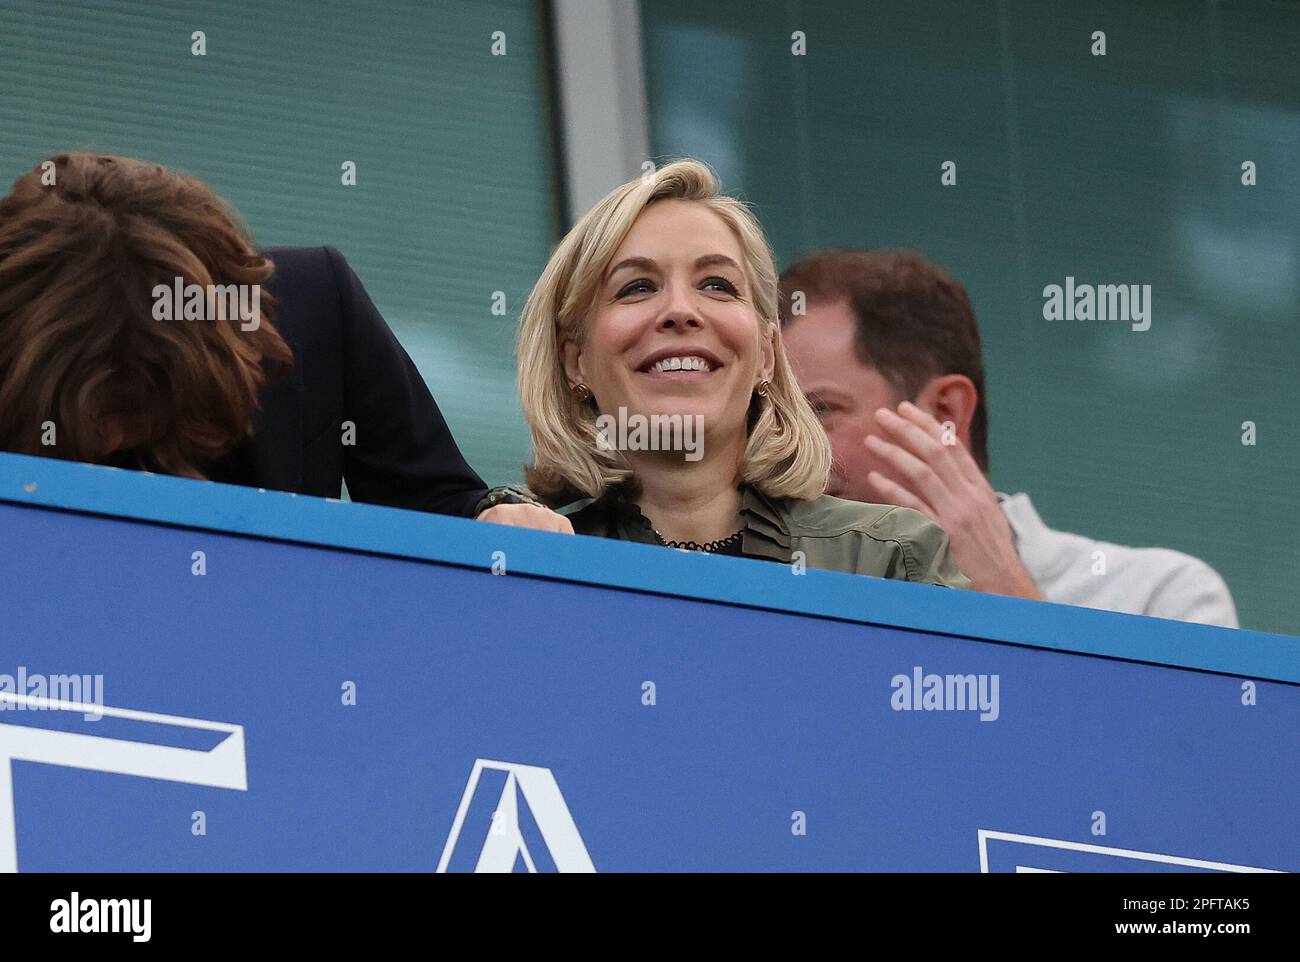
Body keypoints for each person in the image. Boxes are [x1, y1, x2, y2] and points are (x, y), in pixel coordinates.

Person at [0, 152, 562, 530]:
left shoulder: (311, 305)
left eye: (141, 396)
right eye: (96, 401)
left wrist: (498, 517)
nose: (116, 433)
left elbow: (438, 504)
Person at [514, 160, 969, 586]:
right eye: (637, 287)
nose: (680, 311)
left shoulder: (887, 559)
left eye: (717, 285)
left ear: (767, 356)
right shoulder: (526, 557)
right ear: (576, 361)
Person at [778, 249, 1238, 626]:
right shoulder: (772, 610)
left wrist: (999, 585)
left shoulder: (1158, 599)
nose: (786, 450)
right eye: (771, 421)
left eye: (820, 410)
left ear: (945, 413)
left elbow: (1160, 742)